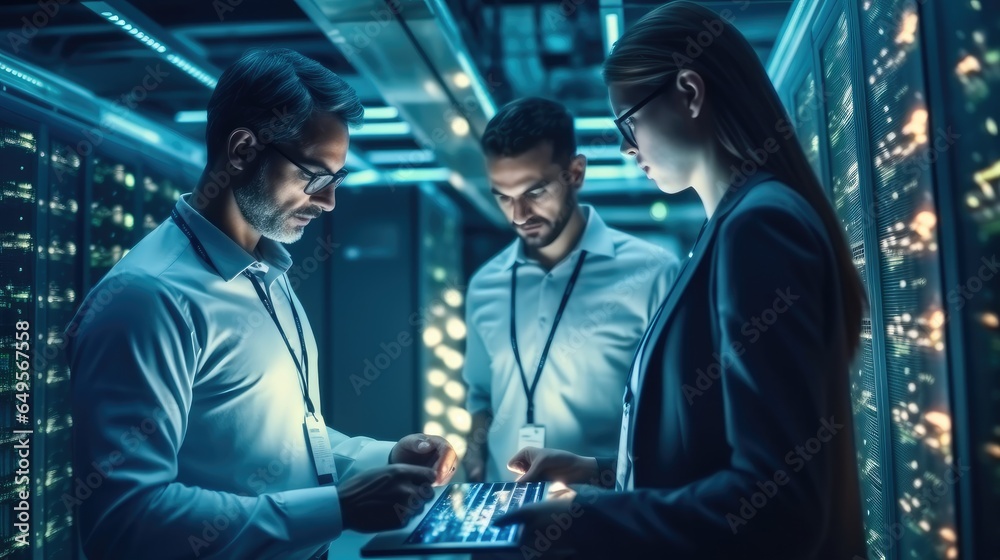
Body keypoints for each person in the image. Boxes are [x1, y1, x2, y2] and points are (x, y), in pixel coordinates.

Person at [493, 3, 867, 559]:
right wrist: (600, 474)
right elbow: (712, 452)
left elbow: (779, 503)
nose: (626, 147)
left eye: (628, 122)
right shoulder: (735, 226)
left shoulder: (759, 227)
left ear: (689, 93)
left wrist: (585, 517)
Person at [66, 48, 456, 560]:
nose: (328, 202)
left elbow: (285, 446)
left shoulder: (268, 272)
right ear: (244, 149)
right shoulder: (150, 298)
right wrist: (336, 508)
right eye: (314, 178)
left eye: (337, 181)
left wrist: (380, 458)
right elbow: (123, 522)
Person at [461, 97, 680, 484]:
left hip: (609, 521)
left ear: (575, 173)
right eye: (503, 196)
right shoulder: (485, 284)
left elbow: (675, 415)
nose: (519, 215)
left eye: (535, 191)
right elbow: (481, 397)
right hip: (502, 520)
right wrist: (474, 458)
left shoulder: (653, 273)